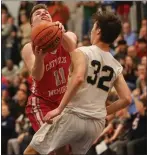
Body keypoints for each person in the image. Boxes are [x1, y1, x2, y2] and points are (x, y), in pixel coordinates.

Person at [24, 10, 131, 155]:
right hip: (96, 123)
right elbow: (126, 99)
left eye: (93, 27)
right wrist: (102, 113)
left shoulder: (83, 51)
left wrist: (59, 109)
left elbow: (78, 78)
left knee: (31, 152)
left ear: (98, 30)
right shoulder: (116, 65)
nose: (91, 31)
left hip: (75, 115)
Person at [21, 3, 77, 154]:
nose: (43, 13)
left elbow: (72, 48)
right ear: (32, 24)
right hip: (42, 102)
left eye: (46, 12)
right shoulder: (29, 48)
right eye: (38, 13)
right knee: (52, 145)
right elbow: (37, 76)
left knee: (65, 149)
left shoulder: (69, 35)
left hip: (65, 101)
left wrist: (61, 33)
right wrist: (40, 59)